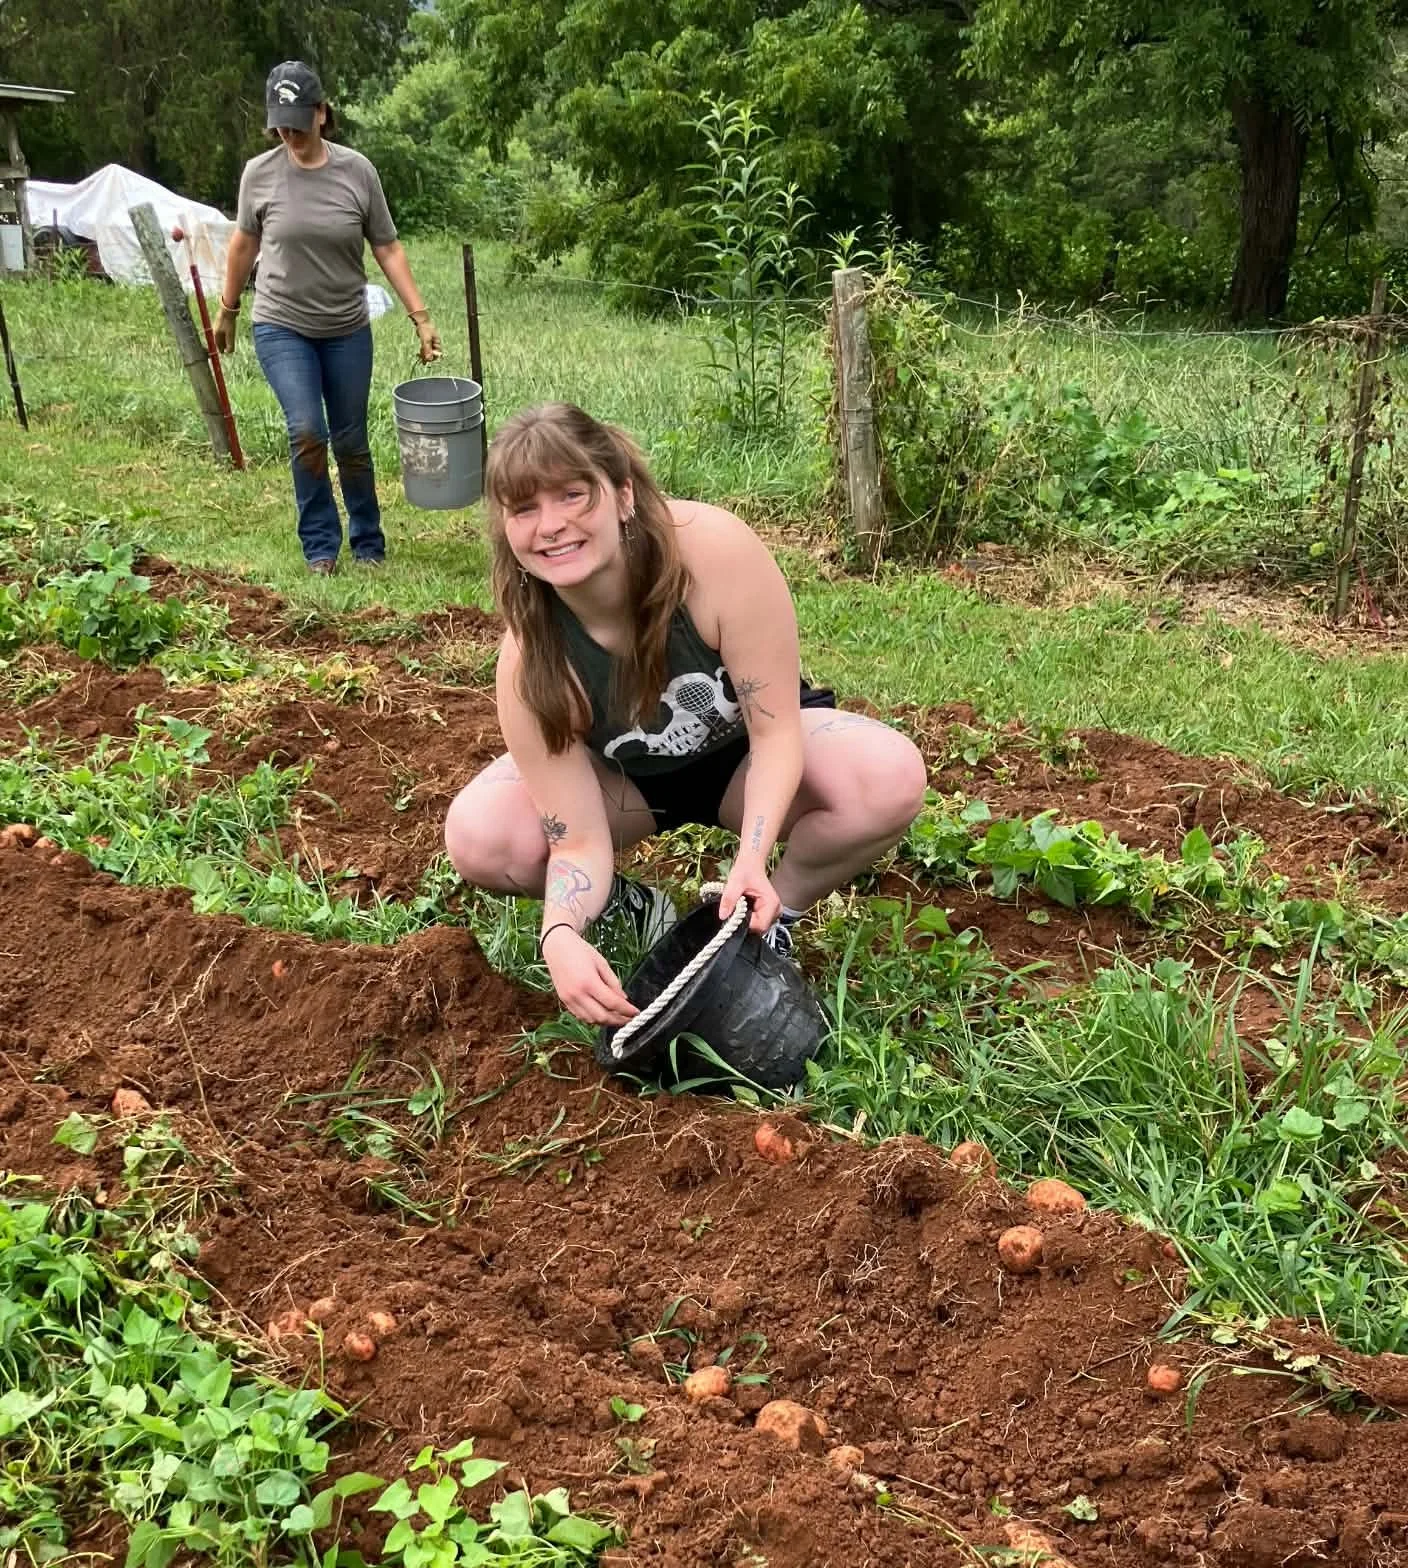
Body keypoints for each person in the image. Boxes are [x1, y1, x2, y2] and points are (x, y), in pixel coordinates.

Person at [444, 403, 929, 1027]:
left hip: (742, 754)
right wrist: (559, 933)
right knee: (480, 835)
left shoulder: (710, 553)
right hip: (628, 785)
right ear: (505, 528)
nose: (552, 526)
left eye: (572, 495)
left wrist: (752, 858)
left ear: (622, 495)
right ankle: (634, 910)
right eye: (525, 509)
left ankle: (769, 919)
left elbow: (777, 734)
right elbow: (581, 838)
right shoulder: (528, 661)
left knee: (888, 777)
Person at [215, 60, 442, 574]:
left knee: (351, 438)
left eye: (298, 119)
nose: (288, 132)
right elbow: (243, 244)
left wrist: (421, 317)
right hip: (281, 324)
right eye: (280, 123)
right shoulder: (260, 173)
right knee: (306, 430)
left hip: (346, 328)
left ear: (321, 113)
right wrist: (227, 311)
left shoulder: (357, 172)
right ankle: (320, 547)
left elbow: (386, 248)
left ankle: (368, 543)